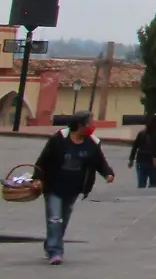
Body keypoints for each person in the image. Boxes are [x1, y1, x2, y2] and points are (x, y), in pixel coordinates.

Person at [31, 111, 115, 265]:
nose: (92, 126)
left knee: (63, 220)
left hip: (74, 189)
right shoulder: (59, 140)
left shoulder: (92, 143)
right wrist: (37, 178)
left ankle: (51, 243)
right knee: (55, 219)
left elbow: (100, 162)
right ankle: (55, 252)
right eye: (90, 123)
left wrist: (107, 173)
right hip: (53, 186)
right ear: (80, 125)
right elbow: (43, 160)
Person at [128, 117, 156, 189]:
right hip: (154, 160)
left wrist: (131, 159)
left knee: (141, 183)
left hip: (140, 160)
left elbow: (135, 147)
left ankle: (141, 197)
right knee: (153, 183)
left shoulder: (142, 133)